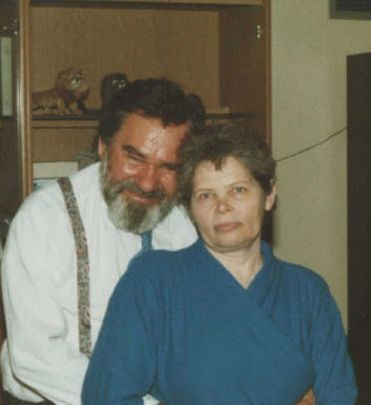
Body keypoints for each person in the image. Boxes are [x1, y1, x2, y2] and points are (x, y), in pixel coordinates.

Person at [82, 124, 357, 404]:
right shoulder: (153, 281)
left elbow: (339, 394)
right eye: (206, 196)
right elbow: (107, 396)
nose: (222, 207)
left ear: (269, 194)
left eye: (238, 190)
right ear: (190, 209)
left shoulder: (307, 291)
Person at [0, 78, 203, 404]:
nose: (148, 183)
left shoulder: (180, 224)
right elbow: (35, 355)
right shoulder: (44, 219)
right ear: (103, 148)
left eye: (167, 168)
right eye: (134, 159)